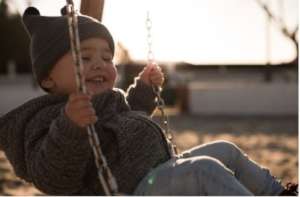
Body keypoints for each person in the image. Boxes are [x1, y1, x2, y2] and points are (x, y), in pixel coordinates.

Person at [0, 7, 297, 196]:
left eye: (107, 57)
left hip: (158, 171)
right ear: (48, 78)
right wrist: (70, 127)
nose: (100, 64)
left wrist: (142, 89)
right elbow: (52, 178)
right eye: (84, 57)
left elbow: (129, 119)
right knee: (203, 170)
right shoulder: (50, 119)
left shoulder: (108, 100)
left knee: (226, 150)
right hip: (131, 190)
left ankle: (278, 194)